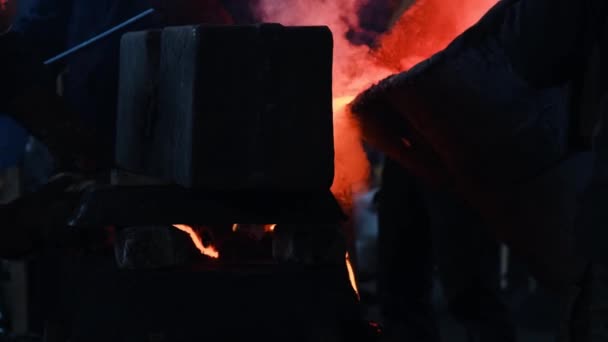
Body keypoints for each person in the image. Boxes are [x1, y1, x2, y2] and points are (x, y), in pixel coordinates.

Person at [350, 0, 608, 341]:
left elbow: (536, 50)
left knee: (467, 281)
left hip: (461, 125)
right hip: (418, 112)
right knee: (402, 273)